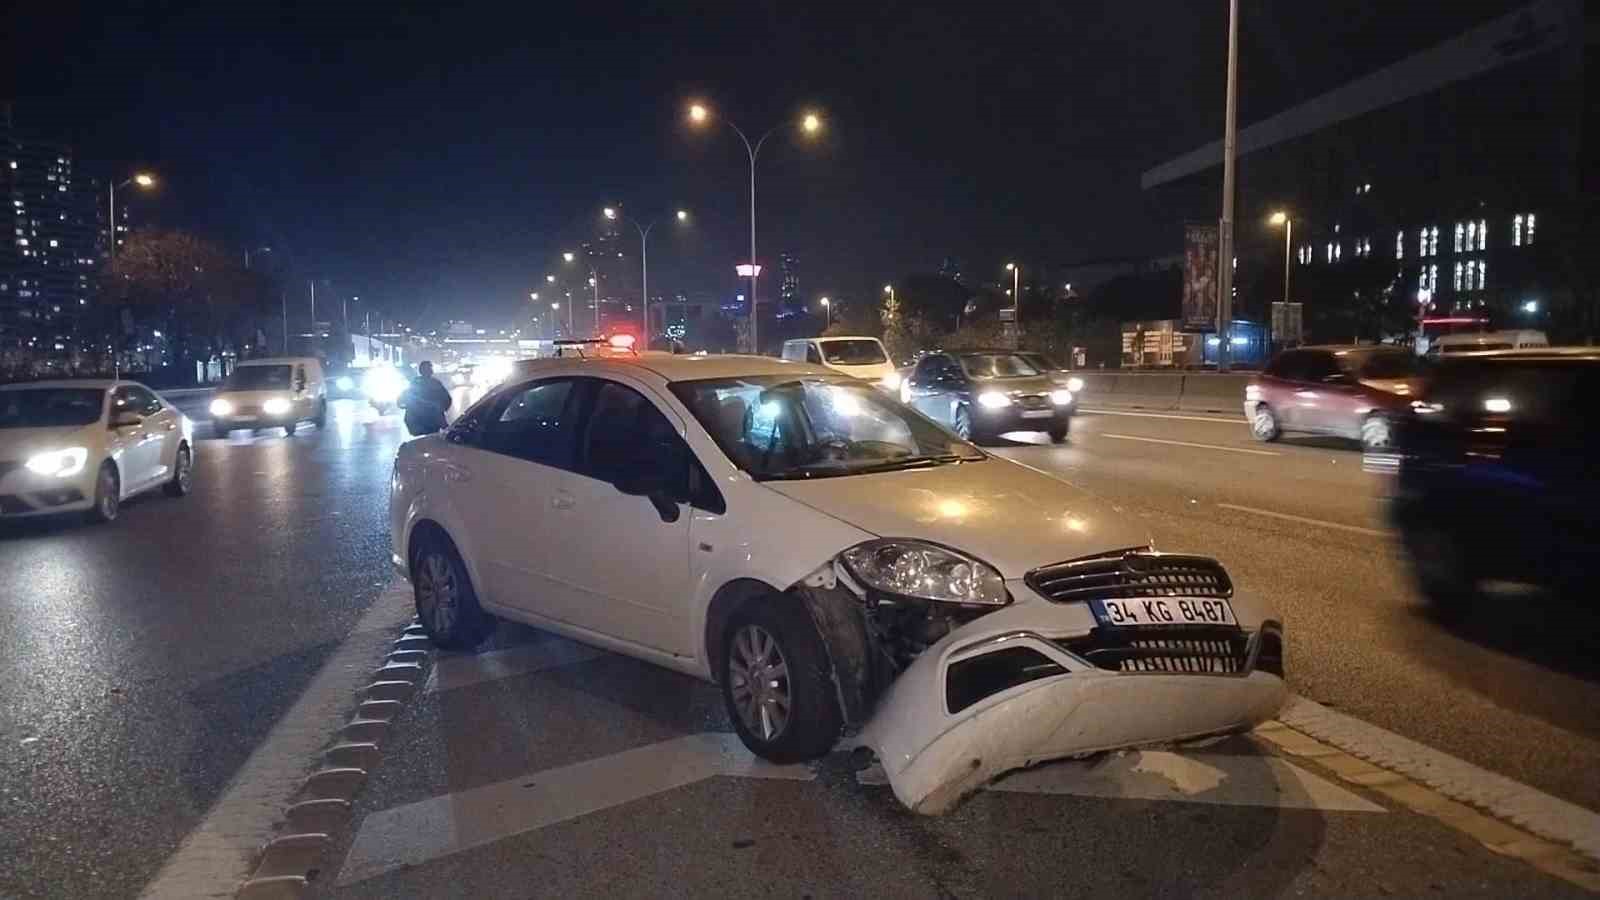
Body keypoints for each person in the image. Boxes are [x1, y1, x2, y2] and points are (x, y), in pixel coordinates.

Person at [400, 361, 452, 435]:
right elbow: (447, 399)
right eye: (429, 368)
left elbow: (403, 399)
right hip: (430, 420)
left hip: (421, 420)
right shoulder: (434, 383)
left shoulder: (415, 383)